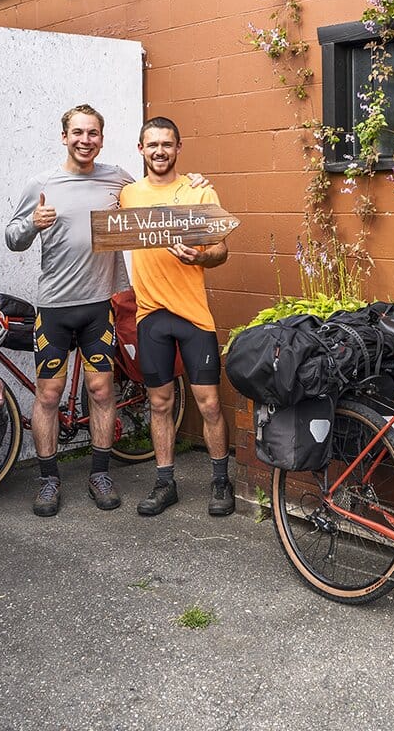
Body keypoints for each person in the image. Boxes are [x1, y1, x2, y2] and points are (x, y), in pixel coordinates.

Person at [3, 104, 132, 518]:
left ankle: (99, 474)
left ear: (101, 138)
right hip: (55, 307)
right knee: (49, 395)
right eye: (77, 133)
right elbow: (12, 237)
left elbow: (157, 197)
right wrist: (32, 225)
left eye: (92, 133)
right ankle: (47, 480)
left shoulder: (117, 178)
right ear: (64, 137)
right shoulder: (42, 183)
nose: (85, 140)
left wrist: (192, 184)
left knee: (101, 391)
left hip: (100, 305)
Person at [119, 116, 234, 518]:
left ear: (178, 148)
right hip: (151, 316)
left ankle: (220, 480)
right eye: (152, 144)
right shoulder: (128, 195)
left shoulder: (199, 192)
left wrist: (201, 255)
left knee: (210, 404)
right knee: (159, 402)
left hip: (193, 316)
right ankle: (164, 482)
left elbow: (222, 251)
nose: (160, 151)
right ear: (140, 149)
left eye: (167, 144)